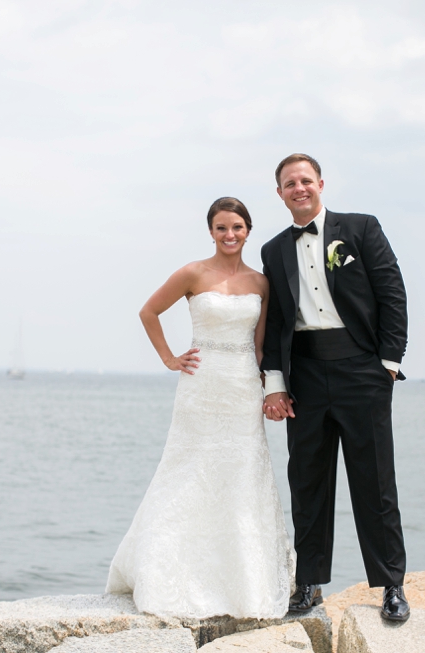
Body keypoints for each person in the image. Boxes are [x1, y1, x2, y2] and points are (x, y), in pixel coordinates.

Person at [106, 197, 294, 619]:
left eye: (238, 228)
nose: (230, 235)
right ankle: (172, 574)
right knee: (189, 472)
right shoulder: (193, 272)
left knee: (242, 476)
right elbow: (148, 311)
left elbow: (261, 345)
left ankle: (243, 581)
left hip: (243, 385)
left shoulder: (261, 283)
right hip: (201, 385)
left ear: (248, 231)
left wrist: (271, 390)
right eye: (222, 228)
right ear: (210, 231)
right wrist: (170, 358)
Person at [260, 154, 410, 622]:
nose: (299, 188)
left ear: (320, 183)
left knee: (375, 482)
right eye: (289, 183)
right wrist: (276, 384)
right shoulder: (272, 250)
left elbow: (391, 292)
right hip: (304, 374)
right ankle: (308, 584)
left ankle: (391, 586)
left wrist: (388, 363)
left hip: (361, 372)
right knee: (306, 482)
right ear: (280, 193)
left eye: (306, 180)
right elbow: (278, 322)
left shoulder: (361, 228)